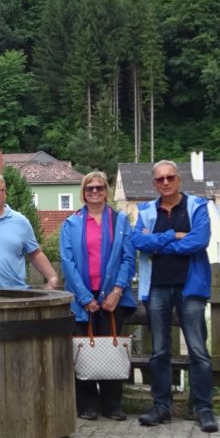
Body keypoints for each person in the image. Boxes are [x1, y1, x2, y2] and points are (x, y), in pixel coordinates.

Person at [131, 160, 218, 433]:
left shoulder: (196, 207)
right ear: (154, 183)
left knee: (198, 351)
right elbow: (138, 241)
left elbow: (199, 240)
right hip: (157, 287)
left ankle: (203, 408)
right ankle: (161, 406)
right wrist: (173, 236)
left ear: (179, 179)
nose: (166, 182)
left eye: (170, 177)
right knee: (159, 351)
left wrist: (159, 244)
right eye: (160, 179)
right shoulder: (147, 211)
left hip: (190, 287)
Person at [60, 172, 137, 421]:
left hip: (112, 298)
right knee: (83, 350)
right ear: (83, 192)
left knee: (111, 349)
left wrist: (117, 291)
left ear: (106, 191)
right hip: (82, 298)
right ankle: (87, 405)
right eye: (89, 188)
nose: (94, 191)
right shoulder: (71, 223)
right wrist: (84, 298)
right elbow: (67, 263)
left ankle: (112, 405)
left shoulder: (120, 221)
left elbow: (128, 258)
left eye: (99, 187)